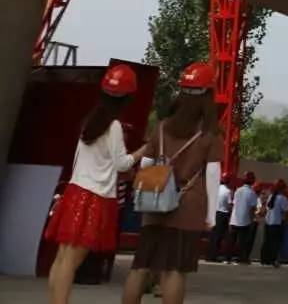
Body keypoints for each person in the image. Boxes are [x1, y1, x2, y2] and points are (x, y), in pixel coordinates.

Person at [122, 62, 222, 304]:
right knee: (175, 271)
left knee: (141, 266)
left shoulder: (162, 126)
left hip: (154, 200)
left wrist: (145, 193)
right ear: (208, 94)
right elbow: (212, 175)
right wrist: (211, 215)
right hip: (187, 206)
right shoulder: (209, 133)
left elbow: (145, 166)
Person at [44, 64, 145, 304]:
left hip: (75, 192)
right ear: (128, 97)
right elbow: (122, 164)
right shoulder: (114, 126)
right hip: (94, 197)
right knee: (72, 261)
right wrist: (144, 151)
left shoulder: (91, 121)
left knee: (61, 258)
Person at [229, 172, 259, 263]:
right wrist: (251, 219)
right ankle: (241, 258)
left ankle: (227, 257)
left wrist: (230, 218)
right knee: (242, 241)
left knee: (231, 240)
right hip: (245, 220)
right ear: (252, 181)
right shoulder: (252, 193)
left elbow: (233, 205)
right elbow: (252, 209)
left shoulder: (238, 190)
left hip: (234, 219)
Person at [260, 180, 288, 267]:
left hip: (268, 223)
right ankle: (273, 260)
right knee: (275, 243)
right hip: (277, 224)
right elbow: (286, 212)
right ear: (282, 189)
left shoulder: (271, 196)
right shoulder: (282, 198)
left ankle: (264, 260)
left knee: (267, 242)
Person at [208, 173, 233, 262]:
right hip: (223, 215)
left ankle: (210, 255)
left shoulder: (216, 189)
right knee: (220, 236)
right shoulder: (228, 191)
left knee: (213, 235)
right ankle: (215, 256)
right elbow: (229, 205)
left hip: (215, 213)